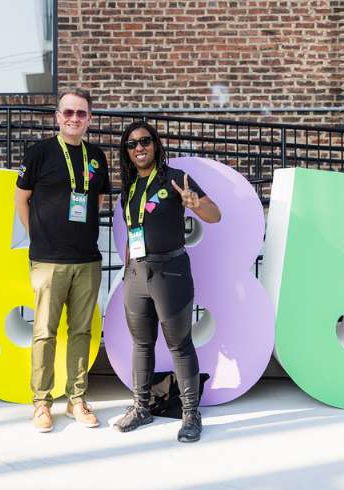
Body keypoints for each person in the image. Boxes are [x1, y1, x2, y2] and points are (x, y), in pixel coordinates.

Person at [110, 121, 222, 442]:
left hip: (170, 273)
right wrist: (129, 270)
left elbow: (215, 215)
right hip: (137, 274)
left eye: (145, 141)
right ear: (127, 152)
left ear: (156, 145)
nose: (139, 148)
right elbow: (133, 232)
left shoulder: (175, 179)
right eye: (132, 144)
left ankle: (190, 414)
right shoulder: (130, 187)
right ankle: (141, 408)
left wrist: (195, 203)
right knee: (141, 344)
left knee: (179, 344)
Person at [14, 87, 111, 433]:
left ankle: (77, 399)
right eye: (68, 112)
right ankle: (42, 402)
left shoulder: (96, 156)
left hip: (86, 259)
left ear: (89, 119)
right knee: (44, 331)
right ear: (58, 117)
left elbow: (97, 200)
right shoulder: (39, 152)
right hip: (48, 259)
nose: (74, 118)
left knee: (81, 331)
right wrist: (38, 236)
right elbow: (21, 199)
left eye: (81, 113)